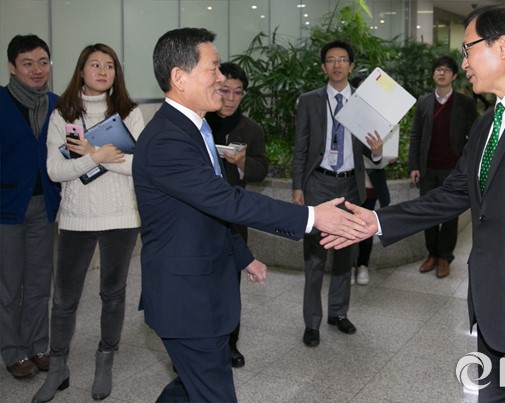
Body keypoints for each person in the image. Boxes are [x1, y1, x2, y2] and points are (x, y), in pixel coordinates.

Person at [322, 6, 505, 402]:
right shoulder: (487, 123)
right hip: (491, 311)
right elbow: (453, 193)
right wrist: (378, 221)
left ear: (502, 47)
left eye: (468, 50)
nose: (464, 63)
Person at [132, 28, 368, 403]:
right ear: (179, 77)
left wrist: (243, 256)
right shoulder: (167, 140)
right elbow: (225, 200)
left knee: (192, 387)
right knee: (211, 390)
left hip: (202, 288)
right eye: (213, 69)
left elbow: (207, 210)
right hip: (185, 299)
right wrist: (310, 217)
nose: (221, 78)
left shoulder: (194, 129)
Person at [33, 43, 145, 403]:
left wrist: (95, 154)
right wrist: (97, 157)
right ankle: (58, 368)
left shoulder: (129, 112)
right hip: (76, 217)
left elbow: (139, 166)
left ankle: (105, 360)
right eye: (95, 65)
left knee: (112, 294)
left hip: (121, 217)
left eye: (109, 65)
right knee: (64, 299)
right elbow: (55, 170)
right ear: (81, 70)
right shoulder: (63, 113)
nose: (102, 71)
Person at [292, 40, 384, 347]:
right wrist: (298, 186)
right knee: (315, 257)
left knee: (346, 254)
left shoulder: (364, 103)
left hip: (349, 186)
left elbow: (371, 151)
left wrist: (377, 151)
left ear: (351, 66)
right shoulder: (309, 100)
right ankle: (312, 323)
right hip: (318, 183)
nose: (336, 65)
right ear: (323, 67)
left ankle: (338, 313)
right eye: (331, 60)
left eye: (342, 59)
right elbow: (301, 147)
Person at [0, 34, 60, 380]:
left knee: (39, 282)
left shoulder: (56, 104)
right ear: (12, 67)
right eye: (27, 63)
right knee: (9, 286)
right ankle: (13, 351)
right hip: (6, 208)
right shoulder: (1, 102)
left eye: (42, 62)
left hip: (45, 205)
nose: (37, 70)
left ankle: (38, 345)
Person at [205, 61, 269, 368]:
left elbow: (261, 168)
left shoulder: (251, 129)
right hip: (198, 215)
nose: (230, 98)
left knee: (230, 285)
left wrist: (242, 162)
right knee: (199, 284)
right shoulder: (199, 122)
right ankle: (199, 345)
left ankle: (230, 343)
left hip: (233, 218)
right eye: (224, 90)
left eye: (237, 92)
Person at [408, 55, 477, 278]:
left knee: (449, 216)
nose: (441, 73)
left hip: (453, 170)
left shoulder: (465, 103)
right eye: (438, 69)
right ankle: (432, 254)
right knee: (427, 214)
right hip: (428, 169)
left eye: (446, 70)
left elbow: (474, 137)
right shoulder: (424, 102)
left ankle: (445, 257)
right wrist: (414, 165)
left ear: (454, 76)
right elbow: (416, 136)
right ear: (433, 74)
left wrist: (467, 166)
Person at [349, 73, 393, 285]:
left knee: (365, 225)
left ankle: (363, 265)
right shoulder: (344, 115)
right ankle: (348, 266)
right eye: (358, 89)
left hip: (370, 181)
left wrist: (383, 153)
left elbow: (384, 154)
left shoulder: (383, 117)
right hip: (348, 181)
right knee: (346, 224)